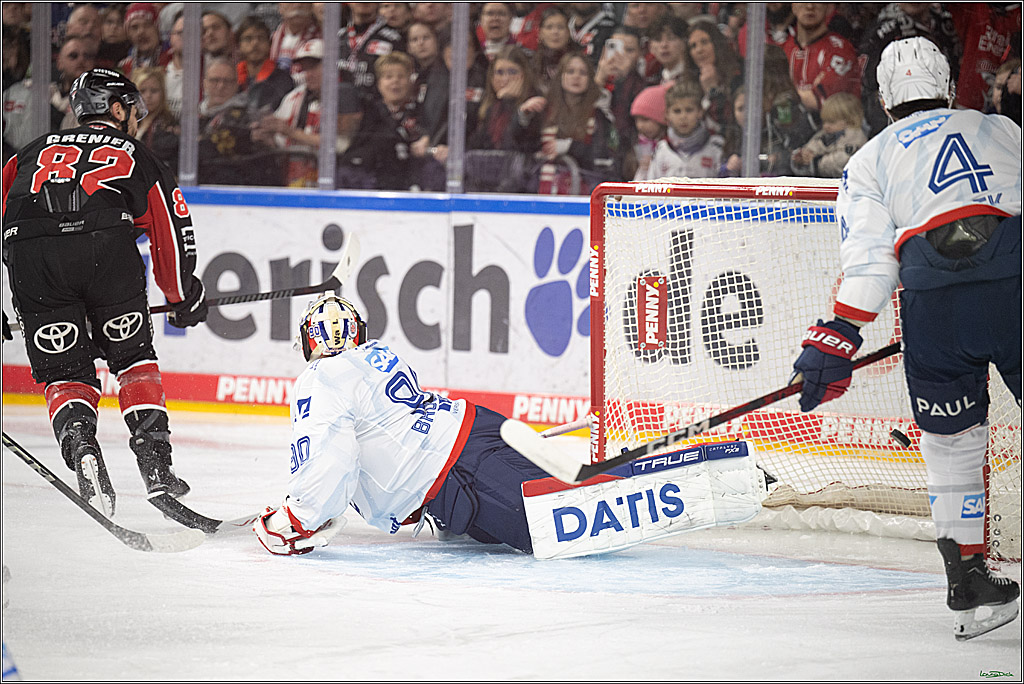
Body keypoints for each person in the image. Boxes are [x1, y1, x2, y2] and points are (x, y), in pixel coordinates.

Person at [790, 37, 1021, 641]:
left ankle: (967, 577)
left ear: (883, 101)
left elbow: (869, 265)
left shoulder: (868, 158)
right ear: (948, 87)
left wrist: (836, 337)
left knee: (953, 445)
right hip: (1017, 289)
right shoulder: (1000, 127)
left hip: (935, 312)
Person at [1, 67, 207, 516]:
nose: (136, 117)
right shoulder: (138, 153)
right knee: (133, 360)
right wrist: (181, 294)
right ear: (116, 109)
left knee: (67, 370)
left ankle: (82, 449)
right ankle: (155, 469)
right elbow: (170, 232)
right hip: (105, 254)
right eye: (132, 108)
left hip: (33, 261)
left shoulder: (29, 152)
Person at [252, 292, 553, 556]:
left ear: (308, 339)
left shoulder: (321, 378)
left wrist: (297, 519)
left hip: (459, 474)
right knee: (571, 491)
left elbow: (330, 458)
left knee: (558, 523)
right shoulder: (377, 354)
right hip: (476, 429)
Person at [534, 52, 620, 194]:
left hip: (585, 193)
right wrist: (522, 116)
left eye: (583, 73)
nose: (576, 77)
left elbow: (603, 156)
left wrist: (570, 146)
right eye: (570, 71)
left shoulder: (598, 116)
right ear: (561, 76)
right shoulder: (543, 111)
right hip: (542, 190)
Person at [782, 2, 861, 115]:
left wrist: (784, 96)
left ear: (829, 8)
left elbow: (819, 101)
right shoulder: (786, 47)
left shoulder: (841, 50)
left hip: (837, 127)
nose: (810, 6)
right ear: (793, 6)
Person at [641, 79, 723, 180]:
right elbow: (653, 187)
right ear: (667, 114)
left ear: (700, 112)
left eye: (689, 110)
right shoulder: (661, 150)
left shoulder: (715, 147)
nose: (683, 117)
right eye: (677, 111)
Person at [681, 20, 743, 132]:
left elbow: (729, 122)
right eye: (693, 46)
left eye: (704, 42)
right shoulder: (688, 83)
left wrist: (713, 90)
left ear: (717, 44)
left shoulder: (739, 75)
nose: (699, 50)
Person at [790, 91, 866, 178]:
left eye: (831, 122)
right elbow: (815, 144)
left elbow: (842, 161)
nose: (825, 126)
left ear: (849, 120)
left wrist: (815, 161)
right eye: (824, 121)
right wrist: (803, 155)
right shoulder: (826, 133)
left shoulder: (855, 138)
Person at [236, 15, 295, 116]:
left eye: (261, 38)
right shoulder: (230, 77)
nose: (255, 43)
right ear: (239, 46)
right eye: (248, 39)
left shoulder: (282, 80)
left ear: (270, 44)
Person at [133, 66, 181, 174]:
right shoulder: (125, 123)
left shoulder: (170, 125)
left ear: (163, 94)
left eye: (154, 91)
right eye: (142, 91)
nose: (148, 96)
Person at [530, 6, 575, 95]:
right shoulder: (531, 62)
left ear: (568, 32)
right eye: (549, 27)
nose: (555, 32)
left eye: (560, 27)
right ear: (540, 33)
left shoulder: (579, 60)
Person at [629, 82, 670, 180]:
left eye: (645, 120)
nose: (640, 126)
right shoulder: (641, 144)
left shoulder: (671, 147)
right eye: (636, 120)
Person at [118, 2, 170, 76]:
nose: (141, 32)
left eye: (147, 25)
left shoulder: (173, 60)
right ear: (128, 33)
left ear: (157, 28)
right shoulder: (124, 67)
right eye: (134, 27)